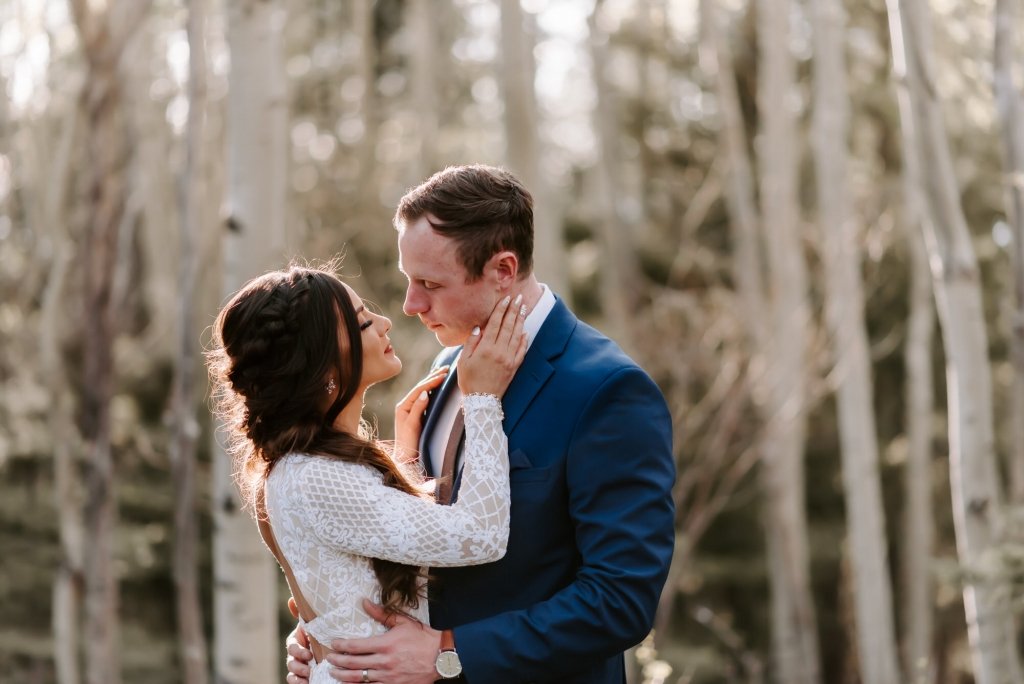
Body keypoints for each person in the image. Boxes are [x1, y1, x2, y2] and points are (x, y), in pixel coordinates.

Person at [287, 165, 676, 684]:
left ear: (503, 270)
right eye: (408, 280)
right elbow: (416, 548)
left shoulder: (607, 391)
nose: (410, 305)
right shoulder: (446, 367)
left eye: (430, 284)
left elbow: (621, 599)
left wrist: (450, 652)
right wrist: (334, 630)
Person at [207, 263, 528, 684]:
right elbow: (480, 535)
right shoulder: (317, 479)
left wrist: (405, 455)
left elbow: (355, 571)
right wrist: (483, 400)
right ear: (323, 367)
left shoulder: (295, 467)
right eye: (362, 324)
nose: (385, 322)